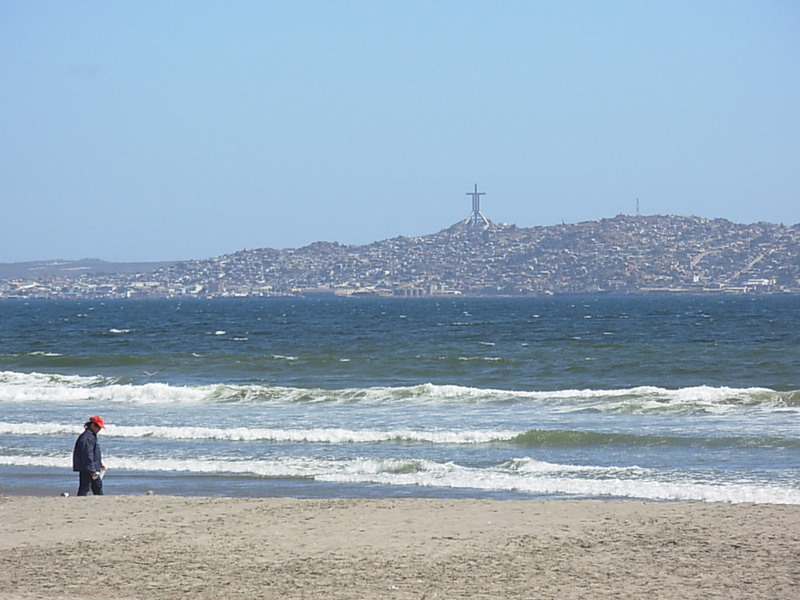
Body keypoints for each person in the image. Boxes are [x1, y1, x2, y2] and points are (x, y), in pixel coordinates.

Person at [72, 416, 107, 496]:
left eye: (100, 427)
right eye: (98, 427)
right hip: (88, 468)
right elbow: (87, 455)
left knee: (90, 487)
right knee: (92, 487)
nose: (99, 429)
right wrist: (92, 470)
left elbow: (93, 453)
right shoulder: (87, 437)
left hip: (90, 467)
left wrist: (100, 464)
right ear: (92, 425)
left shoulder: (91, 436)